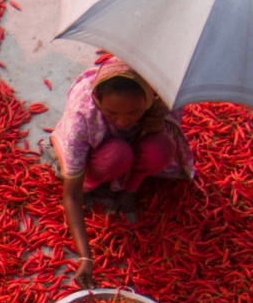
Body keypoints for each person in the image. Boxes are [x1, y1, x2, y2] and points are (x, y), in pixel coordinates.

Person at [54, 58, 193, 286]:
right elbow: (71, 195)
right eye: (111, 113)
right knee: (117, 156)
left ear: (148, 100)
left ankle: (130, 187)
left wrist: (157, 124)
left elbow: (165, 133)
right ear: (98, 100)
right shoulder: (82, 120)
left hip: (135, 137)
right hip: (102, 154)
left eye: (134, 112)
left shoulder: (160, 102)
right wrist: (85, 256)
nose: (122, 121)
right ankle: (106, 172)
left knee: (162, 149)